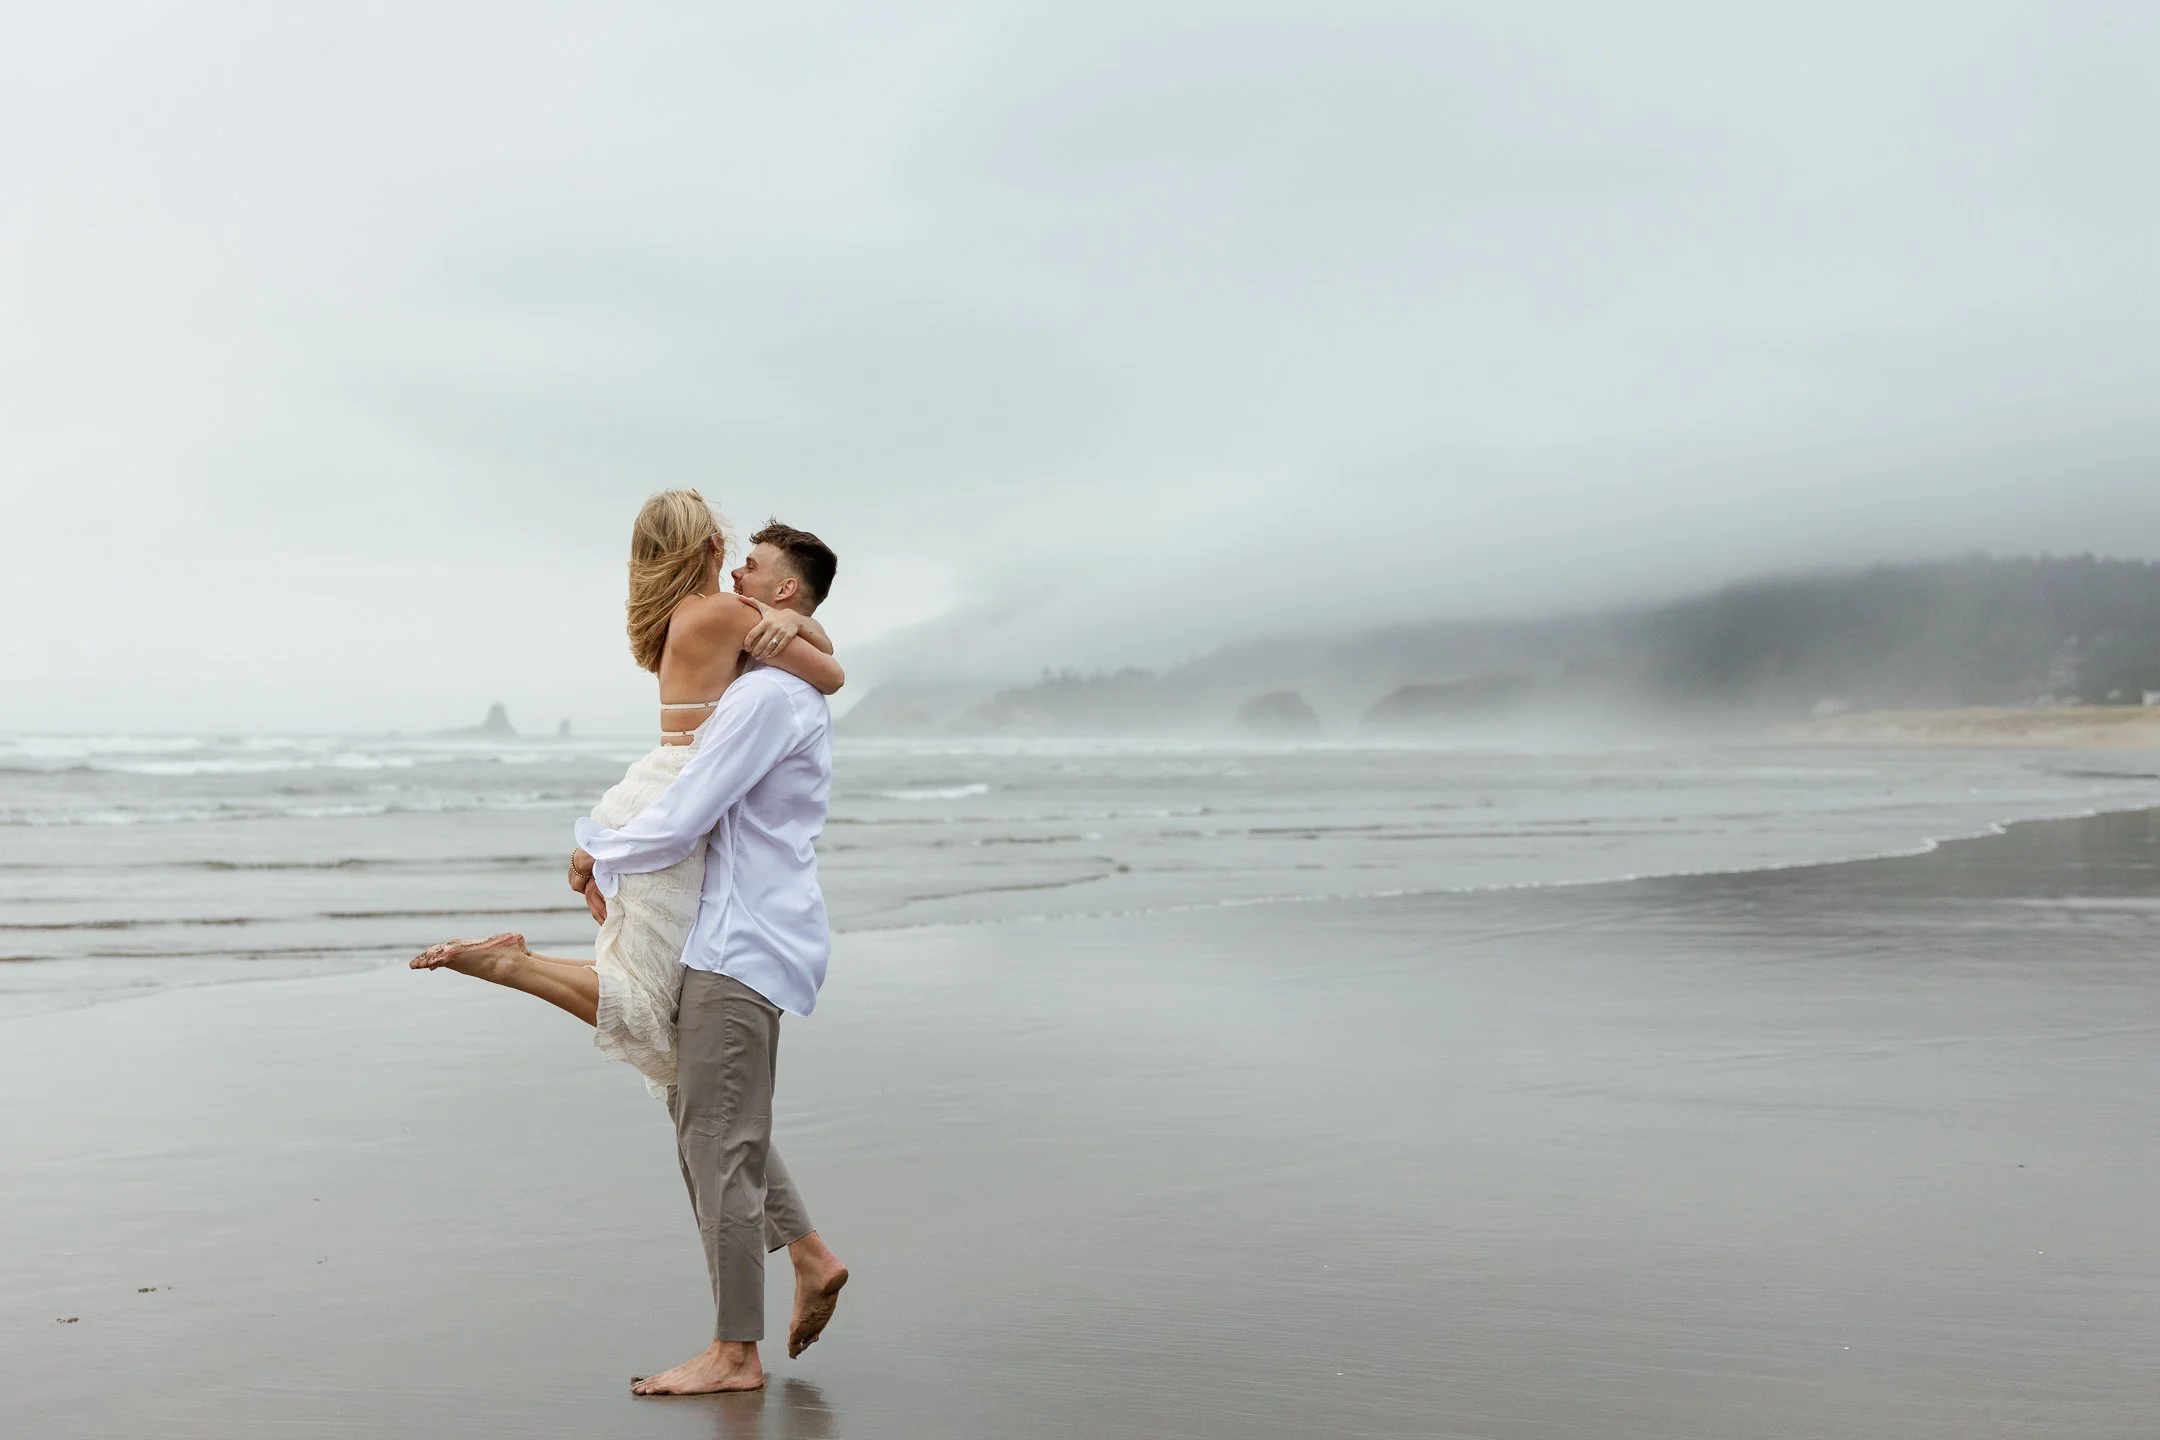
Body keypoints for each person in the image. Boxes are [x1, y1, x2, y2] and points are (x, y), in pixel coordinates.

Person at [410, 493, 851, 1389]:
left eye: (759, 568)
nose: (740, 571)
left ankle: (735, 1352)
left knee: (709, 1126)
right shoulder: (758, 666)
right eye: (733, 557)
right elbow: (819, 672)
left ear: (785, 593)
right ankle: (808, 1258)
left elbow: (687, 811)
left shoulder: (766, 694)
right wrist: (604, 853)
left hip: (740, 934)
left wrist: (600, 850)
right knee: (701, 1102)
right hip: (724, 920)